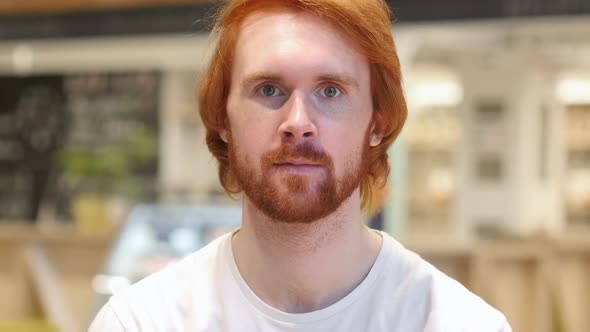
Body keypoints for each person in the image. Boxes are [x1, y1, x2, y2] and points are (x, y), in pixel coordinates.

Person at [89, 0, 512, 331]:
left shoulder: (459, 324)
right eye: (269, 88)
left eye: (330, 91)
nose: (298, 124)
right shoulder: (142, 323)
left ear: (377, 124)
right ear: (222, 119)